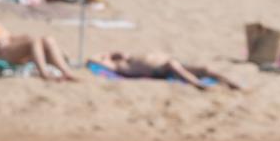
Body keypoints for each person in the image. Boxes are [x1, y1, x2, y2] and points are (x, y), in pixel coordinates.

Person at [90, 51, 241, 91]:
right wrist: (105, 56)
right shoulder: (117, 66)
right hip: (162, 69)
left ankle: (231, 83)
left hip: (170, 64)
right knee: (173, 64)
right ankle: (197, 84)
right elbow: (93, 59)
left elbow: (119, 52)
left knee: (205, 69)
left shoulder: (128, 56)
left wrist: (112, 53)